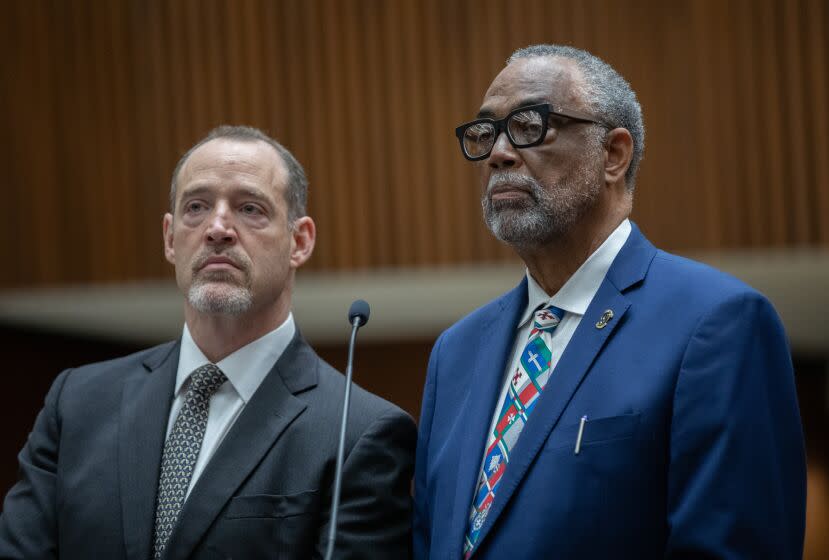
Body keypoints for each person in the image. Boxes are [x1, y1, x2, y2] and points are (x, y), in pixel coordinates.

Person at [413, 45, 806, 559]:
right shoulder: (455, 353)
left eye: (530, 125)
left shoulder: (717, 323)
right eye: (486, 133)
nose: (498, 154)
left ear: (613, 155)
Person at [0, 126, 416, 559]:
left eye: (250, 208)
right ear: (169, 237)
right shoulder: (78, 404)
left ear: (300, 240)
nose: (218, 228)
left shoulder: (359, 431)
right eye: (196, 207)